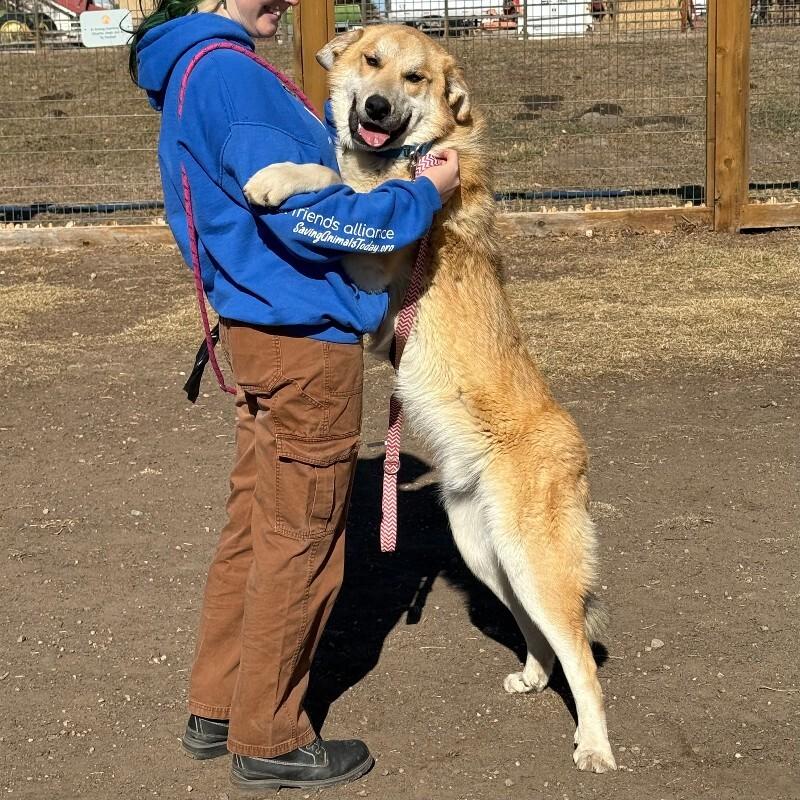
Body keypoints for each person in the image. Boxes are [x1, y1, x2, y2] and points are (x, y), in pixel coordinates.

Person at [130, 0, 460, 790]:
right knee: (300, 541)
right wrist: (422, 196)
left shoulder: (192, 67)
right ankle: (271, 737)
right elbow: (314, 222)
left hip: (253, 329)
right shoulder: (235, 78)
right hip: (303, 341)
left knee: (254, 526)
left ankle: (218, 708)